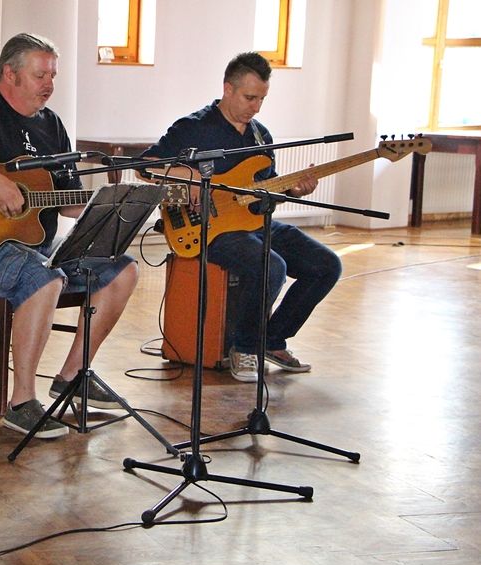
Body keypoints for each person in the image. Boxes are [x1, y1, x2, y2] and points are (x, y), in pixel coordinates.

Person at [0, 33, 139, 437]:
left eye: (53, 75)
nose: (49, 84)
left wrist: (113, 205)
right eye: (40, 75)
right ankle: (21, 403)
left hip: (37, 246)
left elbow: (68, 201)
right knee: (45, 277)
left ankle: (73, 376)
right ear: (10, 74)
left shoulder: (52, 125)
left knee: (121, 269)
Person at [143, 52, 342, 382]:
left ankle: (272, 339)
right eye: (250, 98)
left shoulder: (261, 136)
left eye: (262, 99)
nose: (256, 107)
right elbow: (145, 168)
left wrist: (294, 190)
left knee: (326, 265)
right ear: (228, 89)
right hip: (209, 228)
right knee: (271, 266)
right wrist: (188, 176)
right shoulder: (193, 127)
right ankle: (245, 348)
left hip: (255, 223)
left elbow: (266, 190)